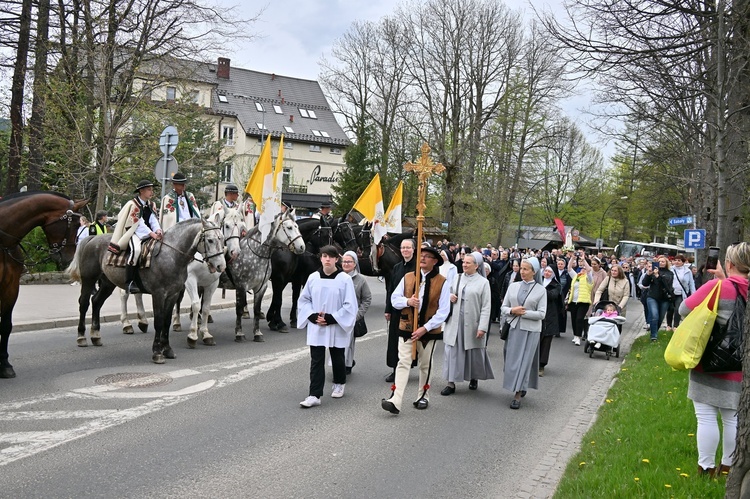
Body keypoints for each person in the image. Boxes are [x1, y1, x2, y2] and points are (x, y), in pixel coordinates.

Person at [679, 243, 750, 477]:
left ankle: (706, 468)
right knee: (732, 419)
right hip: (741, 366)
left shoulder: (717, 287)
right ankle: (728, 468)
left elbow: (684, 309)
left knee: (706, 417)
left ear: (729, 264)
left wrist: (719, 281)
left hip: (709, 364)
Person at [382, 246, 451, 414]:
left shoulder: (442, 282)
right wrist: (408, 302)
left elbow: (443, 311)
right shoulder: (408, 277)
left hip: (429, 331)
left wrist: (424, 328)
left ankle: (423, 395)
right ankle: (396, 399)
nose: (423, 259)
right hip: (406, 328)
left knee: (425, 364)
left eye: (427, 257)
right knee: (403, 362)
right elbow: (394, 299)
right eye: (422, 256)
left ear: (434, 262)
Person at [297, 245, 358, 408]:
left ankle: (339, 382)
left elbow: (350, 304)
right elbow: (304, 300)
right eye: (324, 256)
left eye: (331, 256)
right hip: (317, 324)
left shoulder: (344, 279)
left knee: (337, 356)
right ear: (321, 258)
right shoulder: (313, 277)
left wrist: (332, 318)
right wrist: (312, 316)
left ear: (336, 259)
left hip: (335, 324)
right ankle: (314, 394)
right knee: (316, 360)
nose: (328, 259)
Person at [441, 251, 493, 395]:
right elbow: (444, 294)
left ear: (476, 266)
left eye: (468, 263)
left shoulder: (483, 283)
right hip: (455, 321)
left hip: (473, 323)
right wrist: (449, 296)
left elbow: (486, 306)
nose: (464, 264)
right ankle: (450, 383)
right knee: (452, 351)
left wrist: (482, 327)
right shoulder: (457, 278)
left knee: (473, 352)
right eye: (463, 262)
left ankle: (474, 377)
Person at [500, 259, 547, 409]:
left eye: (526, 269)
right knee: (511, 360)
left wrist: (523, 313)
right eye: (521, 268)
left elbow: (542, 314)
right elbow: (504, 307)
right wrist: (512, 311)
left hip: (530, 331)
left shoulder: (541, 290)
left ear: (534, 272)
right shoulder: (513, 286)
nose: (522, 272)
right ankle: (518, 384)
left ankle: (518, 394)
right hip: (514, 329)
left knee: (524, 361)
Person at [109, 180, 163, 294]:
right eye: (149, 189)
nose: (151, 192)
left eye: (151, 189)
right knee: (136, 250)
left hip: (148, 232)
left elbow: (153, 219)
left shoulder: (152, 204)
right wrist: (151, 234)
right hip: (134, 232)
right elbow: (138, 223)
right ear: (141, 191)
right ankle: (129, 282)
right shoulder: (133, 204)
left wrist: (158, 230)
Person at [383, 238, 416, 383]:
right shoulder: (397, 267)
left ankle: (406, 368)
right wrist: (388, 309)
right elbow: (390, 289)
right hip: (397, 309)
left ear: (414, 250)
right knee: (395, 339)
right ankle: (395, 369)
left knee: (408, 340)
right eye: (403, 248)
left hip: (413, 309)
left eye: (408, 247)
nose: (405, 250)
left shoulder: (418, 267)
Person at [341, 250, 372, 375]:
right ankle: (338, 364)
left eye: (349, 262)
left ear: (355, 264)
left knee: (348, 344)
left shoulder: (361, 280)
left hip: (352, 318)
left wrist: (357, 315)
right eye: (344, 261)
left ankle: (347, 365)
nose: (346, 264)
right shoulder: (337, 277)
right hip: (337, 317)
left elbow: (367, 299)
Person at [642, 256, 674, 341]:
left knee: (660, 318)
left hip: (664, 298)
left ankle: (654, 331)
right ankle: (653, 336)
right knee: (654, 316)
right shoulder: (653, 271)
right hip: (652, 296)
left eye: (663, 261)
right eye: (659, 261)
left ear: (666, 263)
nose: (661, 263)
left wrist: (657, 276)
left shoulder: (669, 273)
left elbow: (666, 284)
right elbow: (644, 283)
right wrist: (648, 274)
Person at [567, 254, 593, 346]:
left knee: (579, 318)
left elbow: (589, 270)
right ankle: (575, 335)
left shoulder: (589, 278)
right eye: (581, 268)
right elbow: (569, 268)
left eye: (584, 268)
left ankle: (578, 336)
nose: (583, 269)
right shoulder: (576, 276)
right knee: (574, 319)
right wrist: (572, 258)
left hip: (584, 302)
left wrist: (584, 260)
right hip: (573, 301)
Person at [538, 266, 560, 377]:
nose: (547, 273)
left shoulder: (556, 285)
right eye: (545, 271)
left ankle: (541, 365)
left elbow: (552, 296)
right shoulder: (538, 282)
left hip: (550, 316)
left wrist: (541, 289)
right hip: (538, 315)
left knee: (546, 342)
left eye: (549, 271)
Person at [666, 254, 696, 331]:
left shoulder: (687, 271)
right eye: (675, 260)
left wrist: (694, 294)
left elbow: (691, 283)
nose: (677, 262)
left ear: (683, 262)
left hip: (681, 293)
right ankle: (669, 325)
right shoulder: (670, 269)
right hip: (671, 292)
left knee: (678, 309)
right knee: (670, 309)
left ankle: (676, 326)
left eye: (679, 260)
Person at [555, 258, 570, 337]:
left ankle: (560, 330)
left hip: (563, 295)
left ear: (564, 265)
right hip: (555, 295)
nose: (560, 265)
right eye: (559, 264)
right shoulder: (554, 272)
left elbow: (569, 284)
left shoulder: (567, 273)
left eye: (561, 264)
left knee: (562, 313)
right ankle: (555, 329)